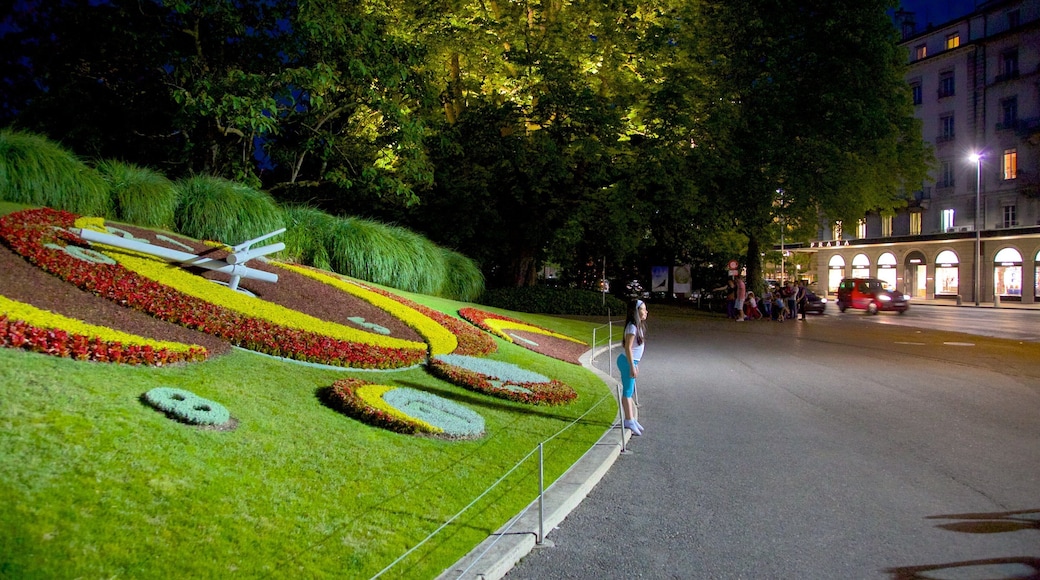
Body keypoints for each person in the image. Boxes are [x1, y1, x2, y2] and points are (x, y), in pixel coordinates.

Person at [617, 299, 648, 435]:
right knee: (628, 392)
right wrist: (631, 366)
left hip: (632, 362)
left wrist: (635, 365)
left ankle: (631, 419)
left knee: (629, 391)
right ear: (636, 311)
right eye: (643, 309)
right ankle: (629, 419)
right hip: (627, 362)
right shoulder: (632, 327)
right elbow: (628, 348)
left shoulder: (638, 326)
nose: (646, 311)